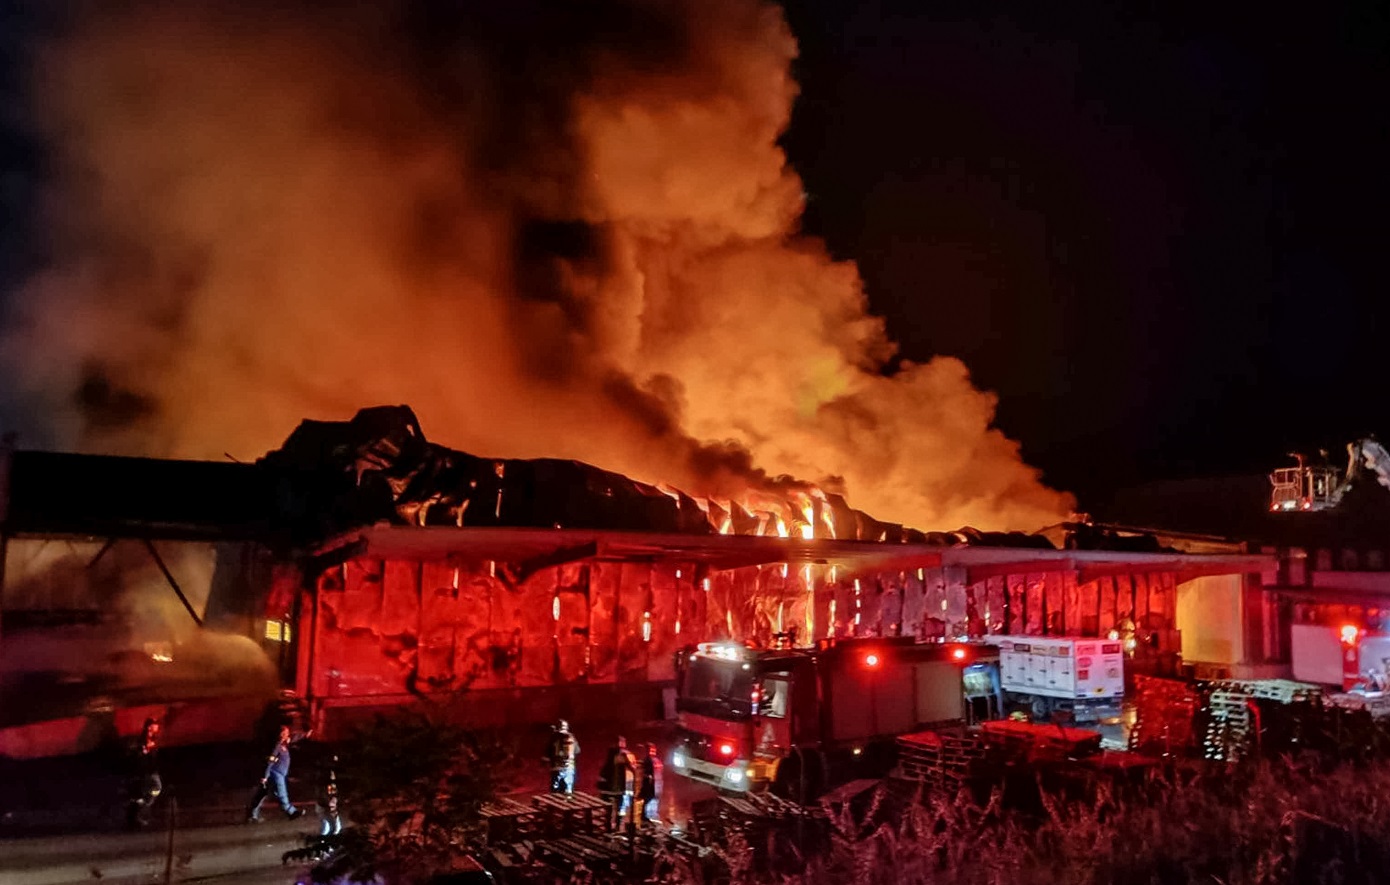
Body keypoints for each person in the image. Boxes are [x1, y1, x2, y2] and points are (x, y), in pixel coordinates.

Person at [247, 723, 312, 823]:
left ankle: (252, 814)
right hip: (276, 774)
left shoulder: (284, 744)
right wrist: (265, 776)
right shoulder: (277, 745)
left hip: (278, 774)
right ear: (281, 734)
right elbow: (270, 761)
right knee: (282, 793)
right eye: (285, 733)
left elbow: (294, 737)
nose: (288, 734)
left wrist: (305, 734)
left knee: (262, 793)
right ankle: (291, 812)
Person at [125, 718, 162, 829]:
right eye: (155, 725)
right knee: (156, 788)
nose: (157, 728)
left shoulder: (151, 738)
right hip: (147, 771)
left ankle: (139, 815)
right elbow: (143, 754)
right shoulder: (144, 740)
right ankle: (140, 812)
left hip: (149, 770)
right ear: (149, 727)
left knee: (151, 790)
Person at [596, 736, 636, 832]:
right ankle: (616, 826)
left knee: (613, 807)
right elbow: (633, 769)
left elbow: (606, 768)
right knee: (619, 808)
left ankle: (612, 826)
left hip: (614, 787)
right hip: (621, 787)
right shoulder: (625, 755)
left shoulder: (613, 754)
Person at [545, 720, 579, 794]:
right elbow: (577, 751)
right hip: (569, 767)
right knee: (568, 788)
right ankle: (567, 802)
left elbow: (548, 751)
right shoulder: (571, 737)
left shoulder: (554, 737)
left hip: (556, 767)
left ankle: (555, 803)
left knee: (555, 788)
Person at [637, 743, 663, 826]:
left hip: (650, 788)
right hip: (657, 788)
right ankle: (652, 824)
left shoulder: (648, 760)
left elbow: (647, 777)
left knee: (647, 808)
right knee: (653, 809)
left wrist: (642, 791)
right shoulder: (657, 760)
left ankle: (646, 824)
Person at [318, 755, 343, 837]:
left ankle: (329, 844)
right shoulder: (324, 777)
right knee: (327, 827)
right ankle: (324, 844)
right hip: (324, 804)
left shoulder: (335, 777)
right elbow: (321, 792)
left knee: (335, 827)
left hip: (330, 804)